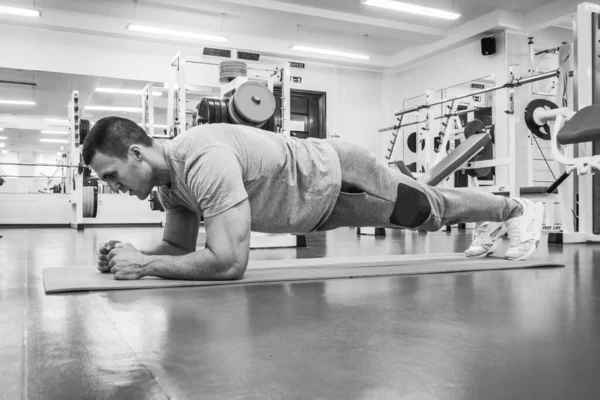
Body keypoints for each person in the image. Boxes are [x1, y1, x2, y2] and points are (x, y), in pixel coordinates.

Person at [83, 116, 544, 281]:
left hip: (341, 176)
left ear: (136, 153)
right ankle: (501, 217)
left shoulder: (203, 159)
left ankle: (517, 209)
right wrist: (134, 255)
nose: (111, 186)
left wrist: (144, 267)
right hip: (314, 208)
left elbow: (227, 263)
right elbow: (181, 250)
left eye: (111, 175)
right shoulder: (169, 186)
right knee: (430, 213)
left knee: (429, 213)